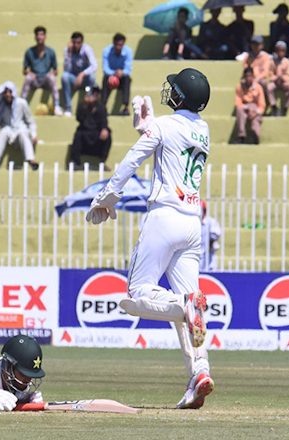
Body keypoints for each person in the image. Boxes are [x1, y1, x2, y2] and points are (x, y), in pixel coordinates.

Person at [86, 67, 214, 410]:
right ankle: (199, 372)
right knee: (191, 306)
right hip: (191, 225)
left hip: (164, 217)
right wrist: (149, 127)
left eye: (175, 89)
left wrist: (106, 198)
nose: (168, 90)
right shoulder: (203, 130)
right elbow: (172, 140)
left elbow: (132, 160)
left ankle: (183, 306)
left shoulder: (166, 126)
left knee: (135, 297)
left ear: (183, 97)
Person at [0, 82, 39, 170]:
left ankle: (31, 160)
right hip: (8, 129)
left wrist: (34, 135)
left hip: (20, 129)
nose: (7, 95)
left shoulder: (21, 103)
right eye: (6, 92)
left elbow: (30, 121)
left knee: (23, 134)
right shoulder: (1, 106)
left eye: (10, 92)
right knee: (3, 132)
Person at [21, 26, 62, 116]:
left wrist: (52, 73)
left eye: (42, 34)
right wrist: (29, 73)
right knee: (28, 78)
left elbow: (56, 71)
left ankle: (57, 106)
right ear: (35, 37)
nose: (40, 37)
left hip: (46, 80)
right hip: (34, 79)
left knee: (52, 78)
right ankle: (22, 106)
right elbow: (24, 70)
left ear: (45, 37)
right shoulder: (29, 52)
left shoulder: (51, 52)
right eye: (38, 35)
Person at [70, 86, 112, 170]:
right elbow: (79, 118)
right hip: (85, 133)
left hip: (97, 135)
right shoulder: (82, 106)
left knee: (108, 136)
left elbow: (104, 121)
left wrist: (104, 129)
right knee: (78, 134)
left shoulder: (101, 107)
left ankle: (101, 161)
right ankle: (75, 162)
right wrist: (85, 105)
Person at [61, 31, 97, 116]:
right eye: (74, 42)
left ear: (82, 43)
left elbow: (94, 66)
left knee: (92, 77)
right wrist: (69, 54)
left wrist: (82, 74)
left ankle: (88, 103)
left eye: (78, 43)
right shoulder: (67, 50)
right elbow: (66, 69)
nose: (76, 45)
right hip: (74, 78)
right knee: (64, 76)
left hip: (85, 80)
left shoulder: (87, 49)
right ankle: (68, 107)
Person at [237, 35, 273, 110]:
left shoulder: (265, 56)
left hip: (260, 79)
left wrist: (256, 79)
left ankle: (270, 105)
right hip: (250, 79)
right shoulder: (248, 56)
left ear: (262, 45)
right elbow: (246, 69)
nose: (255, 46)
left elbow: (265, 72)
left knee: (264, 84)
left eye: (257, 44)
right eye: (253, 44)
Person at [101, 33, 133, 115]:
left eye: (120, 45)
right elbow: (105, 68)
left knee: (127, 79)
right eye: (117, 44)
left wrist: (121, 72)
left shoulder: (128, 51)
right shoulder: (106, 51)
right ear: (113, 43)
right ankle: (103, 106)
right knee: (105, 79)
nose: (118, 47)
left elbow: (128, 69)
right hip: (111, 75)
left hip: (122, 77)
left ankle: (125, 106)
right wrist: (114, 73)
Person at [233, 67, 265, 144]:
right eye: (246, 76)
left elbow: (262, 104)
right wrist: (246, 108)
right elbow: (238, 102)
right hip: (244, 107)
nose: (248, 78)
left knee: (256, 121)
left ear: (253, 76)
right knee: (239, 110)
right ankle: (241, 136)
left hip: (254, 108)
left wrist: (255, 112)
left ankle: (256, 136)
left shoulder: (258, 87)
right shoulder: (239, 87)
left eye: (250, 76)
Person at [267, 41, 289, 117]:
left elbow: (288, 76)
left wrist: (282, 77)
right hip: (275, 82)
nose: (280, 52)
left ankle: (286, 106)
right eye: (279, 50)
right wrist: (275, 78)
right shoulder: (272, 61)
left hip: (283, 82)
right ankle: (273, 105)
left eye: (282, 50)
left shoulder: (286, 62)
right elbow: (270, 74)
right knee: (269, 88)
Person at [200, 200, 222, 272]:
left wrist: (211, 239)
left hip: (208, 257)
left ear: (204, 211)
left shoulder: (211, 222)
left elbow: (216, 234)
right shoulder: (192, 222)